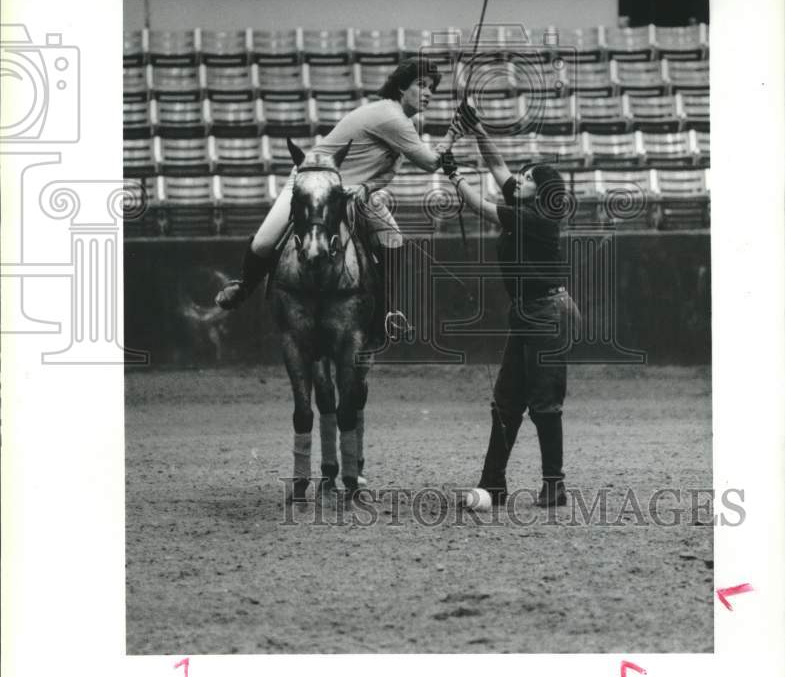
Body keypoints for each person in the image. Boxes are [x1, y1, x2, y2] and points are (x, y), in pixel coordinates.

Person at [215, 56, 464, 342]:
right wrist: (454, 133)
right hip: (311, 182)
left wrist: (367, 189)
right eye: (421, 85)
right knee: (263, 241)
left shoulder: (405, 125)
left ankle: (388, 312)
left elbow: (387, 175)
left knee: (394, 239)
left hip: (352, 193)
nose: (428, 93)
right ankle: (244, 287)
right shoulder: (391, 116)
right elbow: (432, 164)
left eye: (432, 88)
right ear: (400, 88)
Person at [444, 104, 580, 508]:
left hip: (546, 313)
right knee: (506, 401)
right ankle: (493, 484)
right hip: (526, 312)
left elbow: (480, 207)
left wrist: (454, 175)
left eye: (527, 178)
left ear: (541, 191)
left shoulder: (535, 218)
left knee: (543, 402)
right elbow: (498, 165)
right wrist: (477, 128)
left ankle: (554, 485)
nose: (516, 179)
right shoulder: (525, 203)